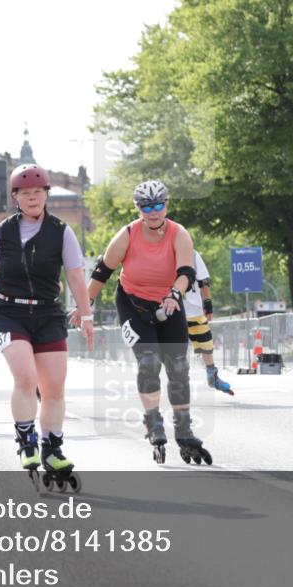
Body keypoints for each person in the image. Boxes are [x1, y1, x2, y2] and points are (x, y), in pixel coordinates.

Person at [0, 164, 94, 491]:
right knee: (26, 377)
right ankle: (26, 439)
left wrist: (87, 313)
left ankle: (53, 449)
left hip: (48, 314)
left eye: (38, 192)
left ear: (46, 194)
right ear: (15, 197)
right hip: (9, 311)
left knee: (54, 387)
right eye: (25, 193)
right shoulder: (2, 232)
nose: (33, 197)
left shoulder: (62, 231)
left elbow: (76, 275)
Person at [73, 179, 212, 465]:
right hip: (133, 304)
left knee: (178, 366)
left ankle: (184, 431)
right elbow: (101, 274)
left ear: (167, 205)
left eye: (158, 205)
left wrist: (175, 294)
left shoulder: (179, 234)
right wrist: (84, 309)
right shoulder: (126, 235)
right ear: (137, 208)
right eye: (146, 206)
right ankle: (153, 420)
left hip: (169, 303)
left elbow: (186, 271)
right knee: (149, 362)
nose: (153, 211)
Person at [184, 249, 233, 395]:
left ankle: (212, 376)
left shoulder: (192, 254)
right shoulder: (160, 253)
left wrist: (207, 303)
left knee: (205, 345)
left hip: (194, 310)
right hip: (172, 309)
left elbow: (204, 281)